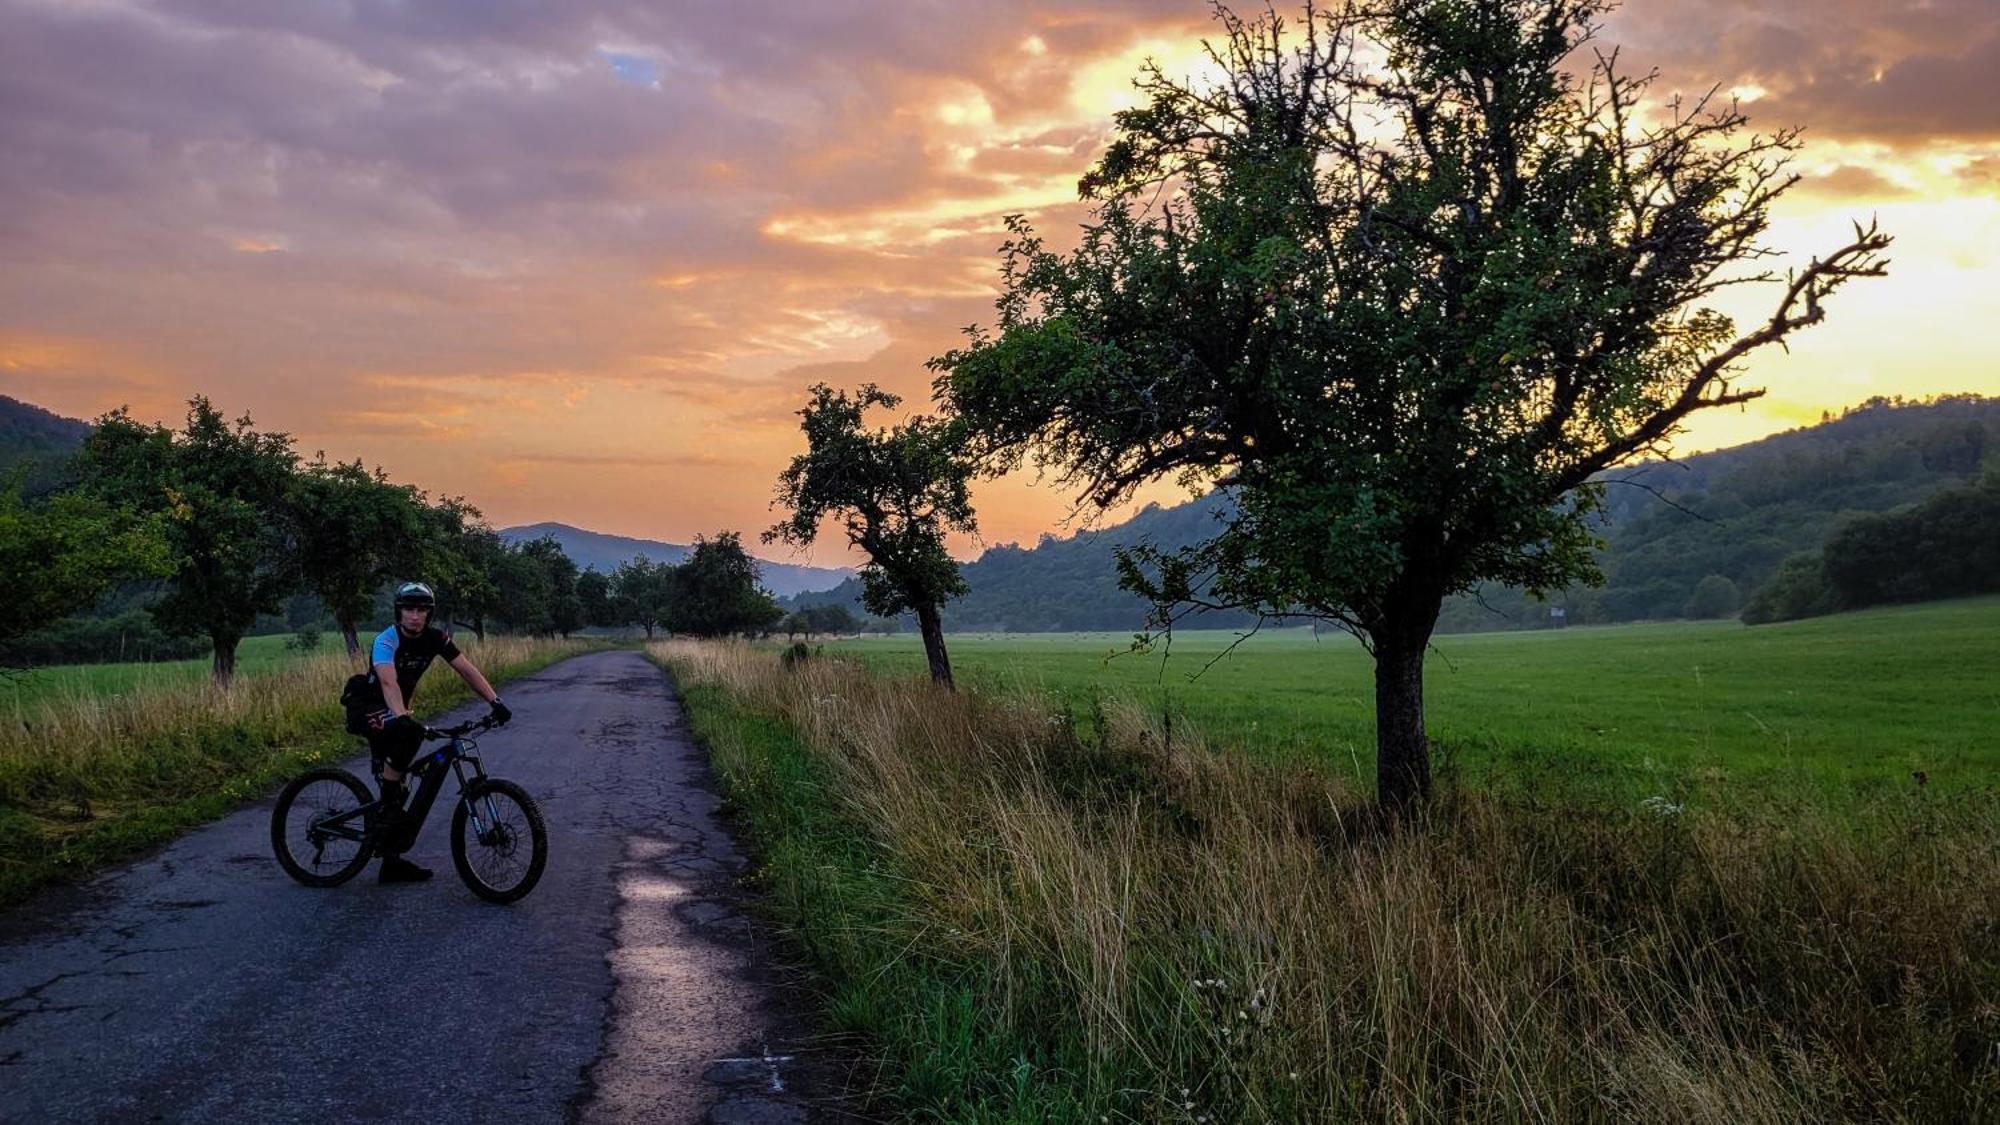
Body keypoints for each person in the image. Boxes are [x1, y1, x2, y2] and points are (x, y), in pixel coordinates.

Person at [352, 581, 512, 883]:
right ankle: (387, 812)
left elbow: (466, 669)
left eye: (421, 610)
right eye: (409, 609)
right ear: (399, 612)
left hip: (397, 710)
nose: (414, 615)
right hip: (370, 709)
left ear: (429, 614)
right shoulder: (386, 640)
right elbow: (389, 683)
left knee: (403, 772)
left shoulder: (437, 638)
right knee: (406, 743)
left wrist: (495, 701)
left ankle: (391, 861)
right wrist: (400, 717)